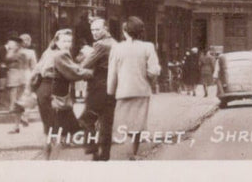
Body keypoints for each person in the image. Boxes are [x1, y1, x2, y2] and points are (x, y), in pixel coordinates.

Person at [107, 16, 161, 160]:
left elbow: (112, 73)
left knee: (122, 123)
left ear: (125, 31)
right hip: (141, 91)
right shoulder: (148, 47)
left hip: (123, 91)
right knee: (138, 124)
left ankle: (123, 154)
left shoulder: (117, 48)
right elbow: (154, 70)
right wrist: (150, 80)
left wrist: (110, 91)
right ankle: (133, 153)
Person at [38, 28, 94, 160]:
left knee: (49, 129)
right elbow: (74, 73)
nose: (67, 44)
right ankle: (52, 162)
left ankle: (48, 160)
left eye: (69, 41)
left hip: (44, 91)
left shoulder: (48, 52)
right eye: (64, 41)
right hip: (55, 92)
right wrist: (93, 73)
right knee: (57, 130)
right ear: (56, 41)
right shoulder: (61, 54)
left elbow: (36, 72)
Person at [78, 17, 117, 161]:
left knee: (85, 119)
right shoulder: (115, 43)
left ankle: (92, 149)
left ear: (105, 28)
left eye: (97, 29)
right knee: (106, 122)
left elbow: (85, 65)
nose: (94, 32)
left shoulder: (100, 44)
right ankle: (105, 155)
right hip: (112, 87)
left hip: (98, 86)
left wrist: (86, 54)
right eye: (92, 30)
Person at [3, 37, 35, 133]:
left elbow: (33, 66)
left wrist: (32, 78)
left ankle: (25, 117)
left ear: (17, 44)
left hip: (23, 79)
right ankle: (17, 125)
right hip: (15, 80)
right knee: (16, 103)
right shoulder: (11, 52)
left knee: (24, 100)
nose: (9, 45)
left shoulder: (26, 53)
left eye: (11, 43)